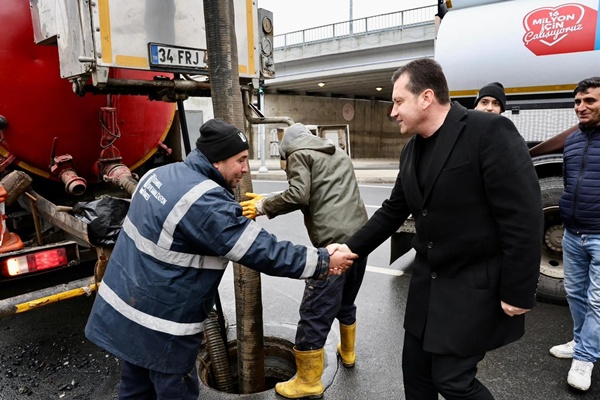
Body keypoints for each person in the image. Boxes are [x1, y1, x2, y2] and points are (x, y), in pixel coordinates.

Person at [84, 119, 358, 400]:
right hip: (162, 328)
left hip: (123, 314)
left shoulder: (159, 174)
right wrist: (323, 260)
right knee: (175, 393)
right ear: (217, 161)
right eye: (240, 160)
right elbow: (263, 250)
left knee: (134, 390)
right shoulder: (203, 202)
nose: (246, 168)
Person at [335, 58, 543, 399]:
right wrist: (350, 249)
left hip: (472, 287)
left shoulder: (488, 132)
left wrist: (519, 290)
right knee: (415, 377)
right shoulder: (410, 151)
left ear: (426, 98)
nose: (393, 112)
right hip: (426, 290)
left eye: (398, 101)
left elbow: (523, 216)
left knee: (452, 381)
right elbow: (392, 211)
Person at [240, 123, 369, 399]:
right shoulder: (338, 153)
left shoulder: (299, 154)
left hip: (333, 247)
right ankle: (348, 352)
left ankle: (309, 381)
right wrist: (270, 199)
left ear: (288, 149)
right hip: (360, 241)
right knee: (346, 300)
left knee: (315, 310)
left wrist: (264, 206)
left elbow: (299, 194)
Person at [549, 77, 600, 391]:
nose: (581, 107)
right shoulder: (572, 140)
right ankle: (581, 340)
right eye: (578, 102)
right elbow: (569, 181)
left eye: (590, 101)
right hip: (573, 232)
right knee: (576, 294)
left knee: (597, 301)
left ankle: (584, 359)